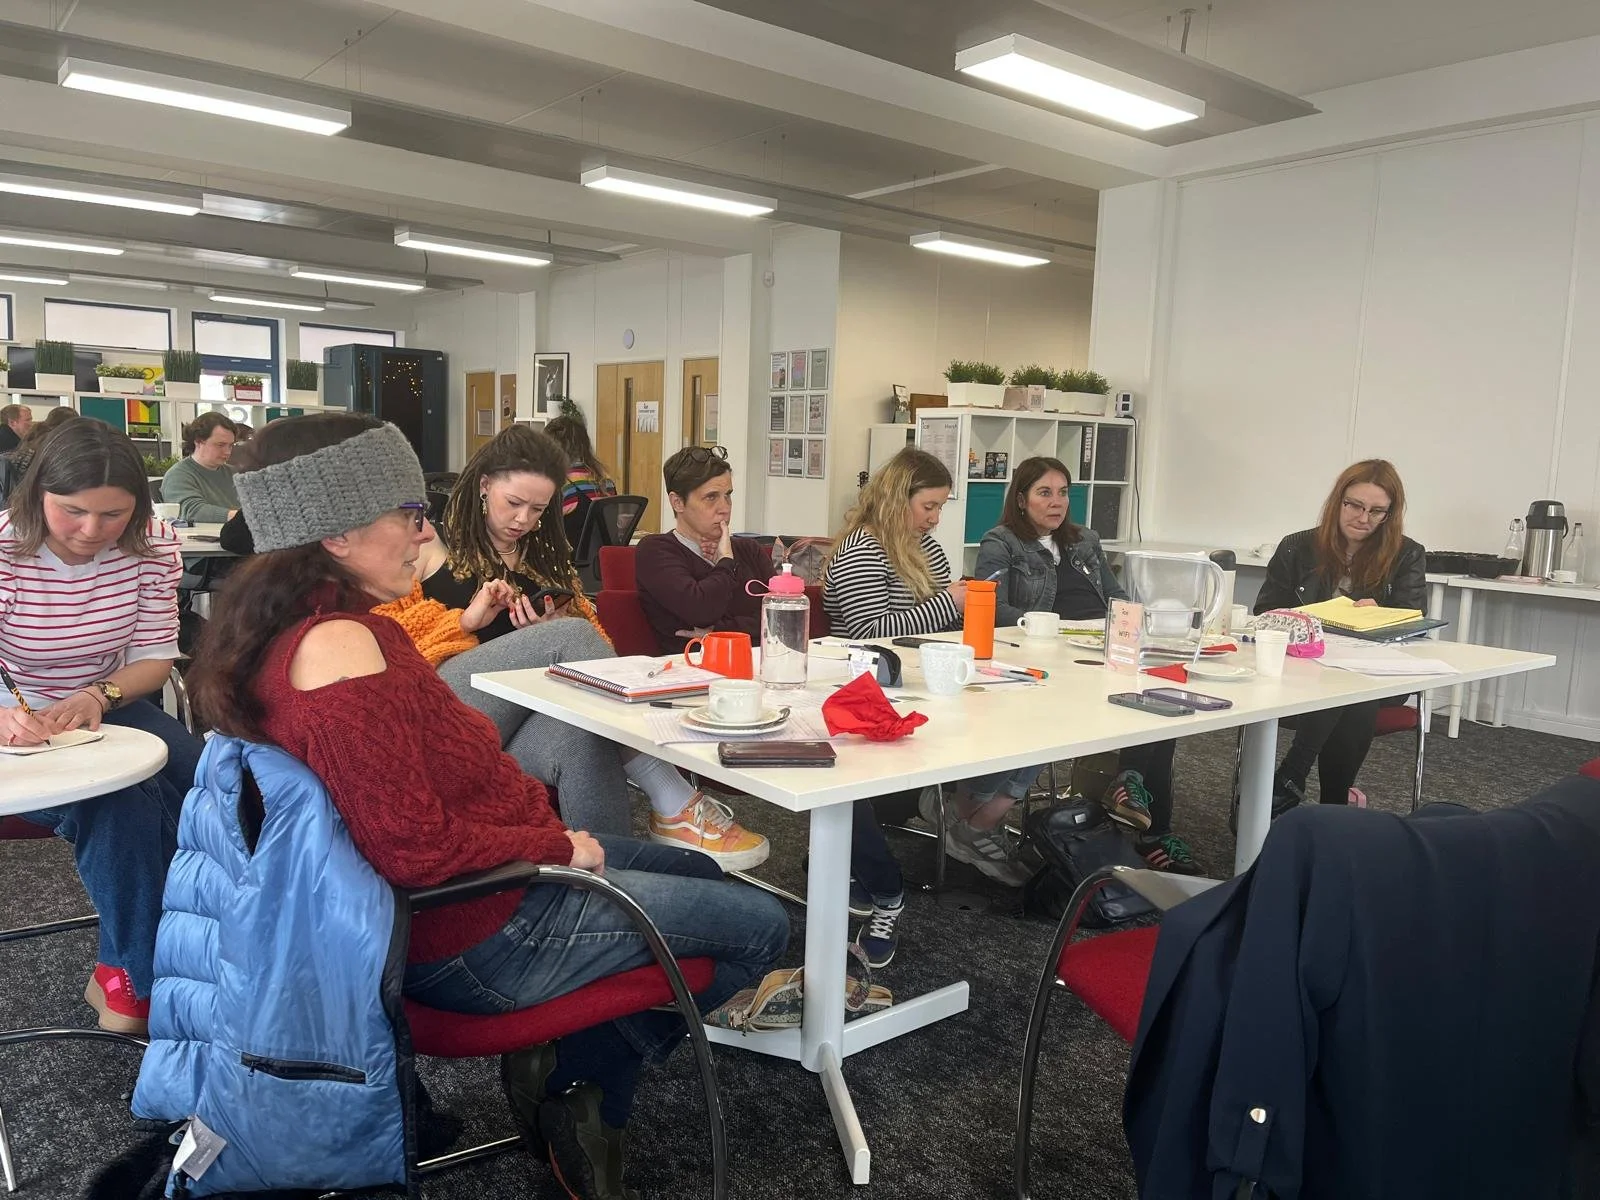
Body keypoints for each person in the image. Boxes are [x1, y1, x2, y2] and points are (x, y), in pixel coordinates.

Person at [186, 415, 787, 1197]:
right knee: (763, 926)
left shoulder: (299, 628)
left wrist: (544, 836)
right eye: (408, 513)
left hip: (480, 891)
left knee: (695, 871)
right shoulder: (338, 650)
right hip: (475, 932)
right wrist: (560, 850)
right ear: (336, 533)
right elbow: (415, 847)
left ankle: (573, 1062)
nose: (422, 532)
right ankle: (584, 1083)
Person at [419, 426, 769, 868]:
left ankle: (615, 884)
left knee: (585, 733)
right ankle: (673, 796)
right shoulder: (430, 542)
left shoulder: (541, 554)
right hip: (445, 710)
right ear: (485, 485)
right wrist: (466, 623)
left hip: (515, 718)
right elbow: (393, 639)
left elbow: (592, 638)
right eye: (514, 503)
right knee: (570, 637)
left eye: (538, 509)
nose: (524, 520)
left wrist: (544, 631)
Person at [0, 418, 202, 1035]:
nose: (92, 531)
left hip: (107, 701)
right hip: (15, 715)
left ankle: (148, 959)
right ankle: (150, 978)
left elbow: (154, 659)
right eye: (73, 511)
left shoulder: (153, 545)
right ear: (38, 494)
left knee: (210, 786)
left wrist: (99, 693)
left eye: (114, 515)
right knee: (122, 801)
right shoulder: (6, 550)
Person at [823, 446, 1039, 893]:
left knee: (1029, 711)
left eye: (940, 507)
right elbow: (869, 632)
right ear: (896, 499)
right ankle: (968, 816)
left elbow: (943, 621)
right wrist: (949, 603)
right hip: (872, 686)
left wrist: (970, 611)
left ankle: (969, 811)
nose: (935, 518)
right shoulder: (860, 549)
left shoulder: (925, 548)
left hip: (921, 675)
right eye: (929, 506)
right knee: (998, 719)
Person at [974, 456, 1203, 874]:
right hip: (1046, 651)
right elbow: (991, 606)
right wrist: (1048, 625)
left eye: (1063, 493)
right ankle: (1144, 816)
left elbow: (1116, 596)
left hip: (1101, 644)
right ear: (1021, 499)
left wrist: (1133, 623)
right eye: (1045, 493)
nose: (1057, 502)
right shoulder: (1001, 542)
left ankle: (1132, 787)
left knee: (1161, 701)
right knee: (1143, 699)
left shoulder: (1085, 540)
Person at [1254, 458, 1427, 810]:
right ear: (1338, 501)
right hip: (1303, 667)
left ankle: (1292, 774)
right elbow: (1265, 613)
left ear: (1390, 514)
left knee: (1353, 689)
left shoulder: (1407, 554)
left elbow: (1412, 626)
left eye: (1377, 511)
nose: (1364, 518)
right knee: (1347, 693)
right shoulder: (1296, 547)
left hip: (1376, 671)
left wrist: (1380, 615)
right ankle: (1333, 807)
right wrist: (1303, 621)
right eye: (1355, 506)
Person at [633, 445, 772, 654]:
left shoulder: (749, 550)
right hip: (692, 667)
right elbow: (701, 611)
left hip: (762, 662)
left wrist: (717, 631)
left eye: (728, 495)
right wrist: (726, 561)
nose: (725, 508)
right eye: (711, 497)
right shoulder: (656, 551)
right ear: (678, 502)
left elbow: (782, 617)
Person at [545, 414, 618, 551]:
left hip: (567, 560)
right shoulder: (606, 482)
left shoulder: (561, 485)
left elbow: (543, 529)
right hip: (603, 560)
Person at [161, 412, 239, 523]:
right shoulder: (178, 475)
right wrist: (241, 517)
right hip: (206, 533)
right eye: (220, 445)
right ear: (198, 442)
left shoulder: (235, 474)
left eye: (230, 445)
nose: (227, 452)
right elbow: (191, 511)